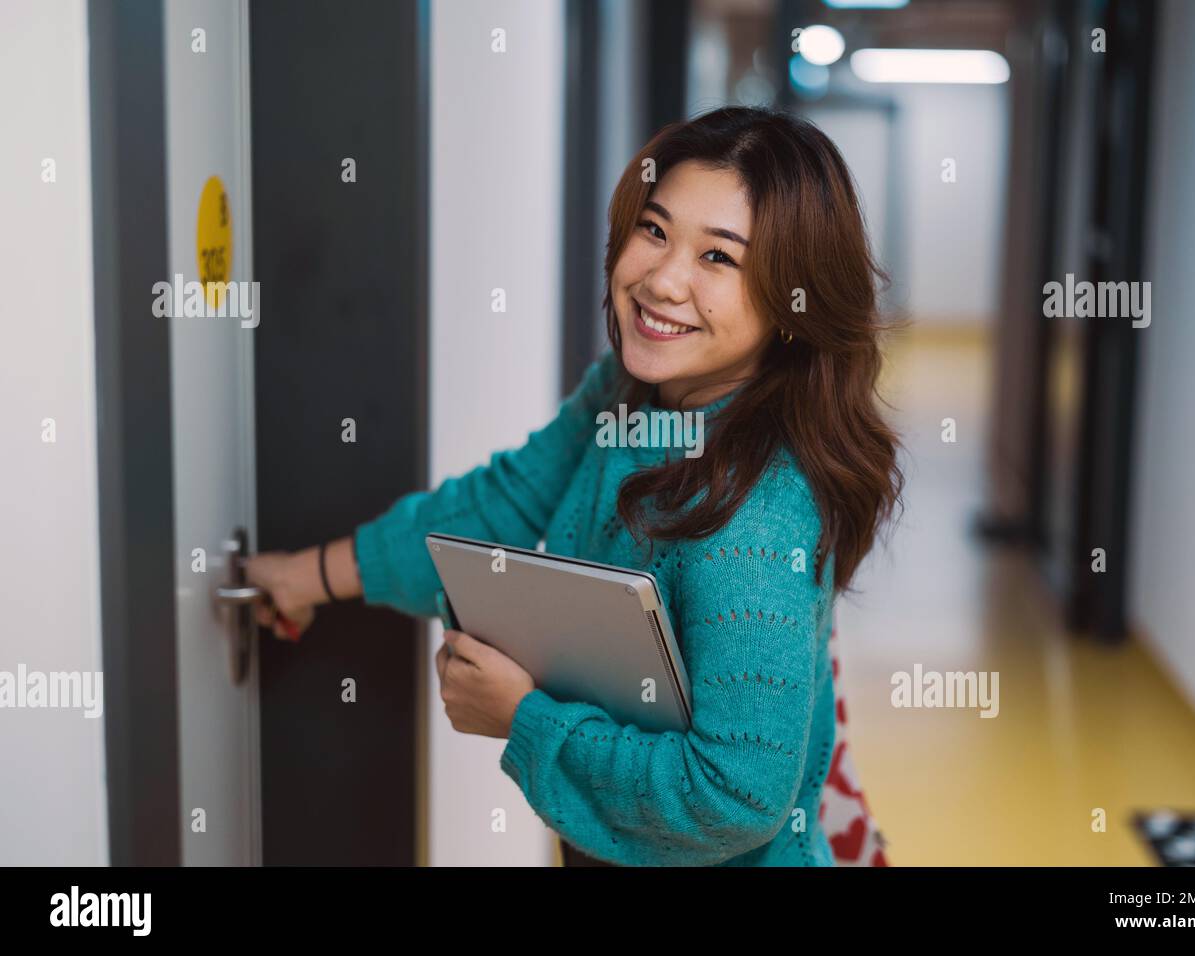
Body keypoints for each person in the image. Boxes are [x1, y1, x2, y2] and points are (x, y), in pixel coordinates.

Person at [247, 105, 903, 867]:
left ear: (794, 302)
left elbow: (735, 796)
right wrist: (308, 577)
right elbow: (498, 505)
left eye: (719, 259)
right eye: (654, 230)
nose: (661, 280)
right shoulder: (626, 394)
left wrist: (523, 717)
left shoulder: (757, 514)